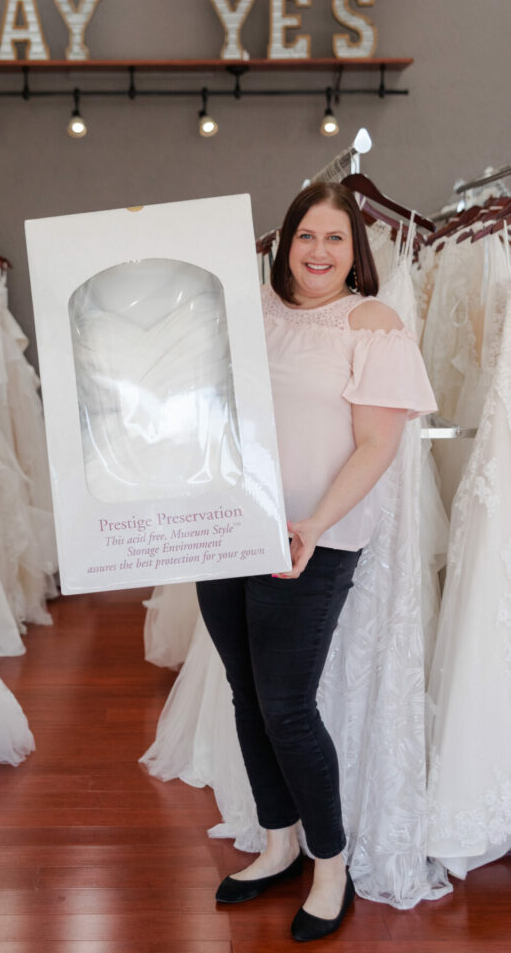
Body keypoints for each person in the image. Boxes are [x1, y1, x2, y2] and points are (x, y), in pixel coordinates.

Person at [196, 182, 437, 942]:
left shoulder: (373, 325)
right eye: (306, 237)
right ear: (283, 241)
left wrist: (312, 525)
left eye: (335, 239)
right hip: (227, 528)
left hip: (314, 538)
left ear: (355, 250)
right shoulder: (249, 314)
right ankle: (277, 844)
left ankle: (329, 865)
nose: (319, 252)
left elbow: (376, 446)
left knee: (286, 706)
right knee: (244, 691)